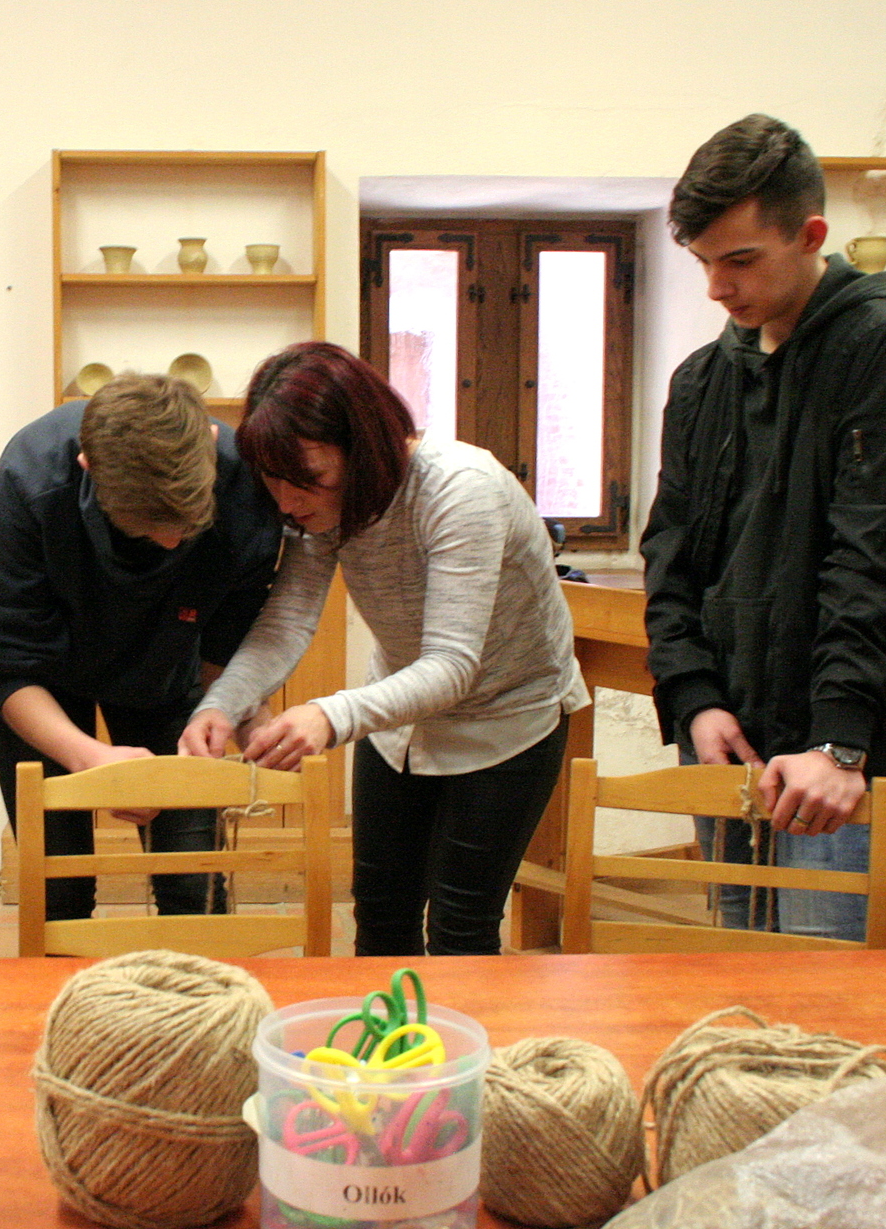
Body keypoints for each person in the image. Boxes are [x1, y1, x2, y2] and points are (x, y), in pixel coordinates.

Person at [641, 114, 886, 940]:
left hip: (829, 752)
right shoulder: (701, 380)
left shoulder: (884, 352)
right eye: (703, 262)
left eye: (740, 260)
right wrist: (694, 700)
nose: (717, 287)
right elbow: (670, 553)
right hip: (724, 736)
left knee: (822, 987)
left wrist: (841, 744)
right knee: (735, 974)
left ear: (810, 236)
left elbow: (877, 559)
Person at [181, 342, 588, 955]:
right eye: (273, 480)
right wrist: (221, 704)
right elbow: (288, 619)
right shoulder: (321, 506)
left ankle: (453, 1026)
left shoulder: (461, 490)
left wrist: (329, 715)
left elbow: (452, 665)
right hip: (399, 719)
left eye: (309, 481)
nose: (287, 502)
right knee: (379, 915)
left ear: (365, 448)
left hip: (508, 718)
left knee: (461, 929)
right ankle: (384, 1026)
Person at [0, 374, 282, 920]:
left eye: (187, 525)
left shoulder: (245, 485)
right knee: (59, 892)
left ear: (210, 446)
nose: (171, 541)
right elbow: (10, 668)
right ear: (88, 467)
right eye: (146, 527)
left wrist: (233, 711)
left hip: (168, 668)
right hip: (45, 678)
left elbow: (227, 643)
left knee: (195, 887)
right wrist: (91, 759)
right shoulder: (33, 475)